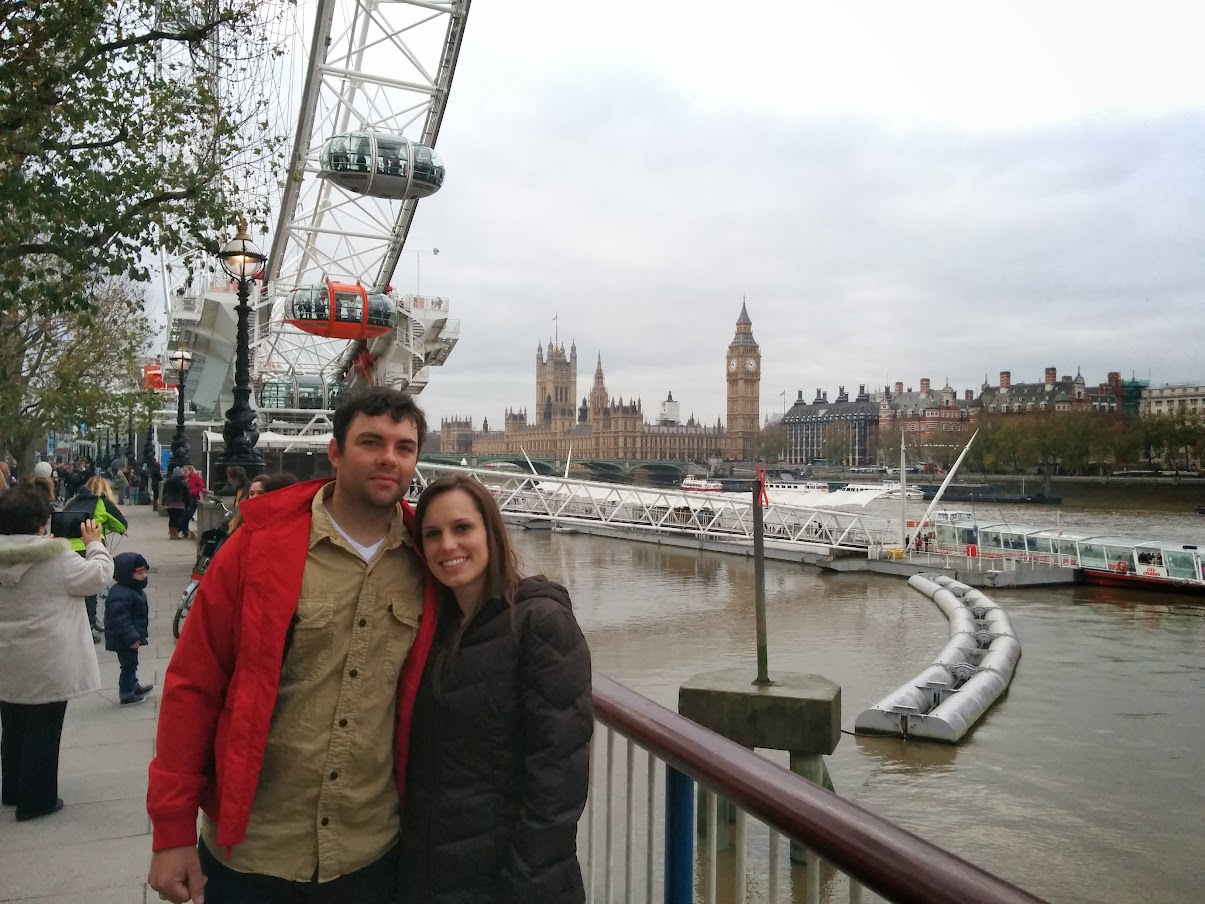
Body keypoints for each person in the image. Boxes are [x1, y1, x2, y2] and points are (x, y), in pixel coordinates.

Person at [147, 388, 439, 904]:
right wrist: (172, 830)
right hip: (257, 847)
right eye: (371, 442)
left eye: (404, 447)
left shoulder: (429, 561)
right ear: (336, 452)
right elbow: (193, 684)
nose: (389, 458)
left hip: (369, 850)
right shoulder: (257, 546)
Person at [400, 475, 592, 903]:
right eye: (432, 534)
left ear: (492, 532)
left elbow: (558, 777)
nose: (448, 545)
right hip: (430, 874)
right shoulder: (432, 629)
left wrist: (527, 879)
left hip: (509, 881)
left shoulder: (541, 623)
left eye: (462, 528)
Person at [0, 489, 112, 821]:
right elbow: (99, 576)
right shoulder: (57, 558)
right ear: (40, 522)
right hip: (47, 658)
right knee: (44, 727)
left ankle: (12, 788)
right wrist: (95, 544)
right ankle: (37, 799)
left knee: (13, 723)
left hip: (6, 656)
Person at [64, 476, 128, 639]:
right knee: (90, 587)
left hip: (66, 548)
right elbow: (122, 525)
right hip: (88, 547)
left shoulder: (72, 502)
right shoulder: (102, 502)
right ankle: (89, 627)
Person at [103, 553, 153, 705]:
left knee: (132, 662)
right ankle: (126, 693)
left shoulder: (132, 589)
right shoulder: (121, 593)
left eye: (144, 572)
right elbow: (121, 619)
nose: (143, 576)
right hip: (123, 639)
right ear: (127, 574)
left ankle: (133, 685)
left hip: (128, 636)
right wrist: (131, 637)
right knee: (128, 665)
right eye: (139, 573)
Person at [160, 467, 191, 540]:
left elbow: (164, 492)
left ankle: (172, 533)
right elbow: (187, 495)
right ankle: (175, 534)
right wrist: (188, 504)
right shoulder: (183, 483)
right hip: (179, 503)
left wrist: (163, 502)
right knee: (178, 519)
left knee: (172, 518)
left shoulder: (168, 481)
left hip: (169, 503)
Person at [182, 465, 206, 539]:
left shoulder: (196, 477)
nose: (184, 472)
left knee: (188, 515)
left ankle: (180, 528)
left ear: (190, 470)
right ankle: (185, 532)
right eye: (184, 470)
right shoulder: (182, 478)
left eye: (186, 470)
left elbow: (201, 486)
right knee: (184, 514)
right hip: (184, 498)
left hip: (193, 498)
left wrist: (192, 491)